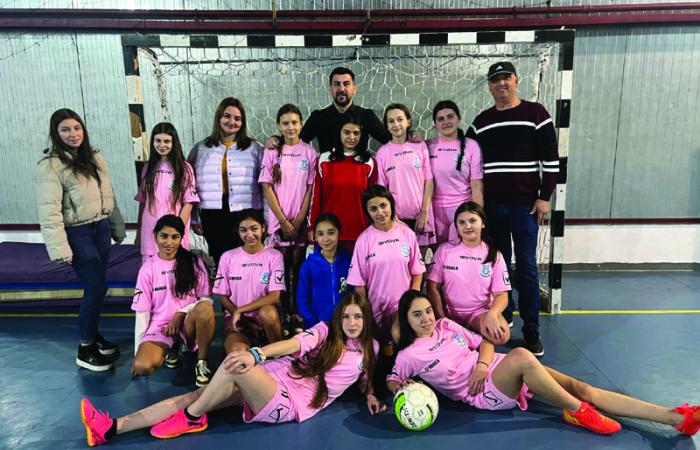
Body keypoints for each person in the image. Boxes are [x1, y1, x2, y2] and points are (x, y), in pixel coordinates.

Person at [80, 292, 386, 447]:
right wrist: (258, 353)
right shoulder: (325, 332)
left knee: (234, 363)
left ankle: (191, 418)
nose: (352, 323)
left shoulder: (369, 348)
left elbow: (366, 376)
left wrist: (371, 392)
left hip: (290, 402)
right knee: (195, 394)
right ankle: (111, 427)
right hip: (273, 376)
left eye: (358, 317)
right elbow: (293, 344)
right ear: (339, 318)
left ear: (366, 318)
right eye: (347, 317)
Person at [388, 290, 700, 436]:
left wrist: (482, 364)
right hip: (484, 392)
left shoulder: (445, 326)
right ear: (406, 319)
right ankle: (577, 411)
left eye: (428, 310)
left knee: (582, 387)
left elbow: (484, 342)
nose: (426, 318)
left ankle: (674, 417)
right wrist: (401, 387)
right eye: (417, 314)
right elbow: (393, 379)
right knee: (523, 355)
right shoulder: (409, 355)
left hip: (494, 367)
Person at [466, 61, 560, 356]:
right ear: (489, 86)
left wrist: (544, 197)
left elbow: (552, 161)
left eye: (506, 78)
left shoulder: (536, 114)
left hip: (525, 209)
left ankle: (531, 331)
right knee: (499, 268)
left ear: (516, 80)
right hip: (492, 210)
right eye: (495, 80)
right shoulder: (482, 122)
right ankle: (504, 318)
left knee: (527, 269)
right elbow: (461, 150)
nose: (501, 83)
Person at [35, 108, 125, 372]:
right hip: (77, 233)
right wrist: (60, 248)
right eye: (65, 130)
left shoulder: (94, 156)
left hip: (100, 228)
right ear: (56, 133)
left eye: (76, 128)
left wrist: (116, 224)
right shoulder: (50, 165)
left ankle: (94, 336)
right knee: (96, 287)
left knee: (96, 288)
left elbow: (107, 193)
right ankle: (86, 348)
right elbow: (49, 210)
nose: (73, 134)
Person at [131, 215, 215, 387]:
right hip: (161, 327)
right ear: (155, 236)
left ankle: (202, 363)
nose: (169, 242)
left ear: (181, 238)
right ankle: (173, 346)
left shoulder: (193, 262)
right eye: (164, 236)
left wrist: (181, 314)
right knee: (142, 366)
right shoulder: (147, 269)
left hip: (188, 322)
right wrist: (138, 350)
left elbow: (206, 299)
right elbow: (142, 312)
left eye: (175, 237)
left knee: (205, 308)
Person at [258, 104, 317, 326]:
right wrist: (283, 221)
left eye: (294, 122)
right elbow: (267, 187)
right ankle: (283, 314)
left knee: (298, 267)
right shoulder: (271, 152)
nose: (290, 127)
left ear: (301, 125)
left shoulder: (310, 153)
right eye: (285, 123)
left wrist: (300, 220)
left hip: (299, 222)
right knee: (280, 270)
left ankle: (298, 312)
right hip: (279, 223)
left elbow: (310, 188)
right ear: (278, 126)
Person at [187, 97, 264, 266]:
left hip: (246, 211)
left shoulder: (255, 148)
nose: (232, 122)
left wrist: (266, 217)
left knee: (247, 259)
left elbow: (266, 185)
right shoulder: (201, 148)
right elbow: (189, 186)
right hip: (213, 214)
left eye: (237, 118)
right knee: (221, 258)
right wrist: (193, 217)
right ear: (218, 117)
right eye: (227, 116)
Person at [347, 185, 424, 343]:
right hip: (376, 309)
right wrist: (366, 313)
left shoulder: (407, 234)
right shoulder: (363, 240)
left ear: (391, 204)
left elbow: (417, 271)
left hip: (403, 305)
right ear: (367, 212)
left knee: (400, 338)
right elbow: (359, 284)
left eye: (383, 206)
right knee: (381, 348)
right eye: (373, 209)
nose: (380, 212)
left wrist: (412, 300)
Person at [426, 201, 510, 345]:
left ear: (483, 223)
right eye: (462, 222)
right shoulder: (445, 250)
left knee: (501, 335)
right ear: (456, 227)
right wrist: (442, 318)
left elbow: (501, 294)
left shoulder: (493, 255)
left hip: (478, 312)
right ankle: (469, 336)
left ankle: (466, 333)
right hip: (448, 312)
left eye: (472, 221)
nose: (467, 226)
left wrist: (492, 314)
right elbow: (432, 287)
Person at [213, 209, 285, 354]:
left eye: (254, 229)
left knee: (268, 313)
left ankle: (277, 354)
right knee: (237, 352)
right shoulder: (228, 257)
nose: (249, 235)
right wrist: (238, 314)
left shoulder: (274, 256)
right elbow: (223, 296)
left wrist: (241, 309)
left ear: (263, 228)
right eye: (243, 230)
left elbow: (274, 296)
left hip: (262, 318)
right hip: (237, 318)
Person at [308, 117, 378, 250]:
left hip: (360, 232)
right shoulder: (324, 159)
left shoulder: (369, 162)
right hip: (329, 234)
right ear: (338, 133)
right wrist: (312, 227)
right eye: (346, 132)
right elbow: (316, 197)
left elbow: (374, 200)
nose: (351, 137)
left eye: (356, 133)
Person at [134, 122, 199, 263]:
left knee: (174, 271)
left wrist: (177, 229)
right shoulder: (147, 167)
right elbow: (143, 202)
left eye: (167, 141)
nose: (162, 145)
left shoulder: (184, 168)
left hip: (172, 233)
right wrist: (139, 232)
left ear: (173, 143)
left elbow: (188, 203)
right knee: (151, 271)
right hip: (150, 231)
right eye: (158, 141)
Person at [375, 103, 435, 247]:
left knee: (419, 260)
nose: (396, 124)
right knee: (399, 259)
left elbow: (429, 180)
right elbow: (382, 190)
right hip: (396, 219)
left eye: (400, 119)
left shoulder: (420, 146)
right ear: (387, 126)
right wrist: (392, 217)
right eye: (391, 121)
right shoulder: (382, 153)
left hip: (421, 217)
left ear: (408, 121)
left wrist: (425, 212)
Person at [427, 100, 484, 245]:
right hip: (433, 211)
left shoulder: (471, 146)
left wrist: (477, 215)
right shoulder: (427, 146)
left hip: (462, 211)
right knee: (438, 254)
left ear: (459, 118)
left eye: (450, 116)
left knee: (458, 252)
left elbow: (476, 186)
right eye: (441, 119)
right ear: (435, 124)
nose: (446, 122)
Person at [300, 67, 390, 153]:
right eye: (336, 84)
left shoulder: (366, 116)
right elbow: (298, 143)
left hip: (358, 164)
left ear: (354, 89)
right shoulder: (318, 117)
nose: (341, 89)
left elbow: (390, 142)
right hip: (328, 164)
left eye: (346, 84)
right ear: (330, 88)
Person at [296, 213, 352, 328]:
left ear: (339, 233)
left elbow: (355, 293)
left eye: (331, 233)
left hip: (346, 325)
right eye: (320, 234)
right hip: (317, 327)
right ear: (315, 237)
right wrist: (314, 324)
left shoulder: (349, 261)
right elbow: (302, 299)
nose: (325, 239)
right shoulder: (309, 265)